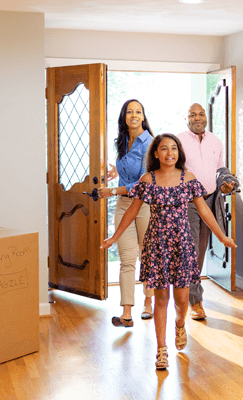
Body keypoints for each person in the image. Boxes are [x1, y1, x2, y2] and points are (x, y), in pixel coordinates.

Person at [101, 134, 236, 370]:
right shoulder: (148, 179)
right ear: (156, 153)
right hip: (157, 244)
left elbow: (205, 212)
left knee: (182, 300)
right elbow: (132, 212)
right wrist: (114, 237)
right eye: (164, 148)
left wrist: (222, 236)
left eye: (174, 148)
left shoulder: (188, 179)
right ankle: (161, 350)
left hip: (182, 244)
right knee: (161, 298)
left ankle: (180, 324)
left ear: (179, 153)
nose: (169, 153)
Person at [177, 103, 238, 320]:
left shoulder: (216, 142)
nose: (197, 118)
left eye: (201, 114)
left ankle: (189, 294)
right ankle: (195, 301)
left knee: (200, 250)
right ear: (186, 119)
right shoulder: (179, 140)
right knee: (192, 250)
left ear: (206, 117)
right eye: (192, 114)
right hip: (188, 202)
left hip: (210, 200)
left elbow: (219, 170)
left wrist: (226, 184)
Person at [97, 99, 155, 327]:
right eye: (129, 112)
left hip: (143, 206)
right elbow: (127, 171)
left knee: (147, 256)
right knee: (126, 259)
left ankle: (148, 302)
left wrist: (111, 190)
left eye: (138, 111)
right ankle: (126, 313)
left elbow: (143, 183)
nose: (134, 115)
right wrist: (116, 170)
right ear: (124, 117)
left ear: (143, 116)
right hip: (123, 205)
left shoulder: (149, 143)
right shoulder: (122, 141)